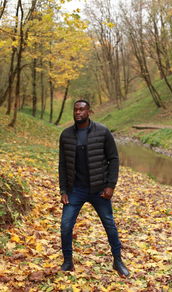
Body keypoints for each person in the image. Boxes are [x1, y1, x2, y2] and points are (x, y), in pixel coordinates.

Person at [59, 99, 130, 277]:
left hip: (99, 190)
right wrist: (63, 190)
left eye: (82, 109)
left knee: (109, 224)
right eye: (75, 110)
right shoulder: (66, 135)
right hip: (75, 190)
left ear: (89, 111)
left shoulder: (103, 132)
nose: (78, 112)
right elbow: (62, 165)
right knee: (66, 225)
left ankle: (117, 260)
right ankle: (68, 262)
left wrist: (110, 185)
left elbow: (113, 159)